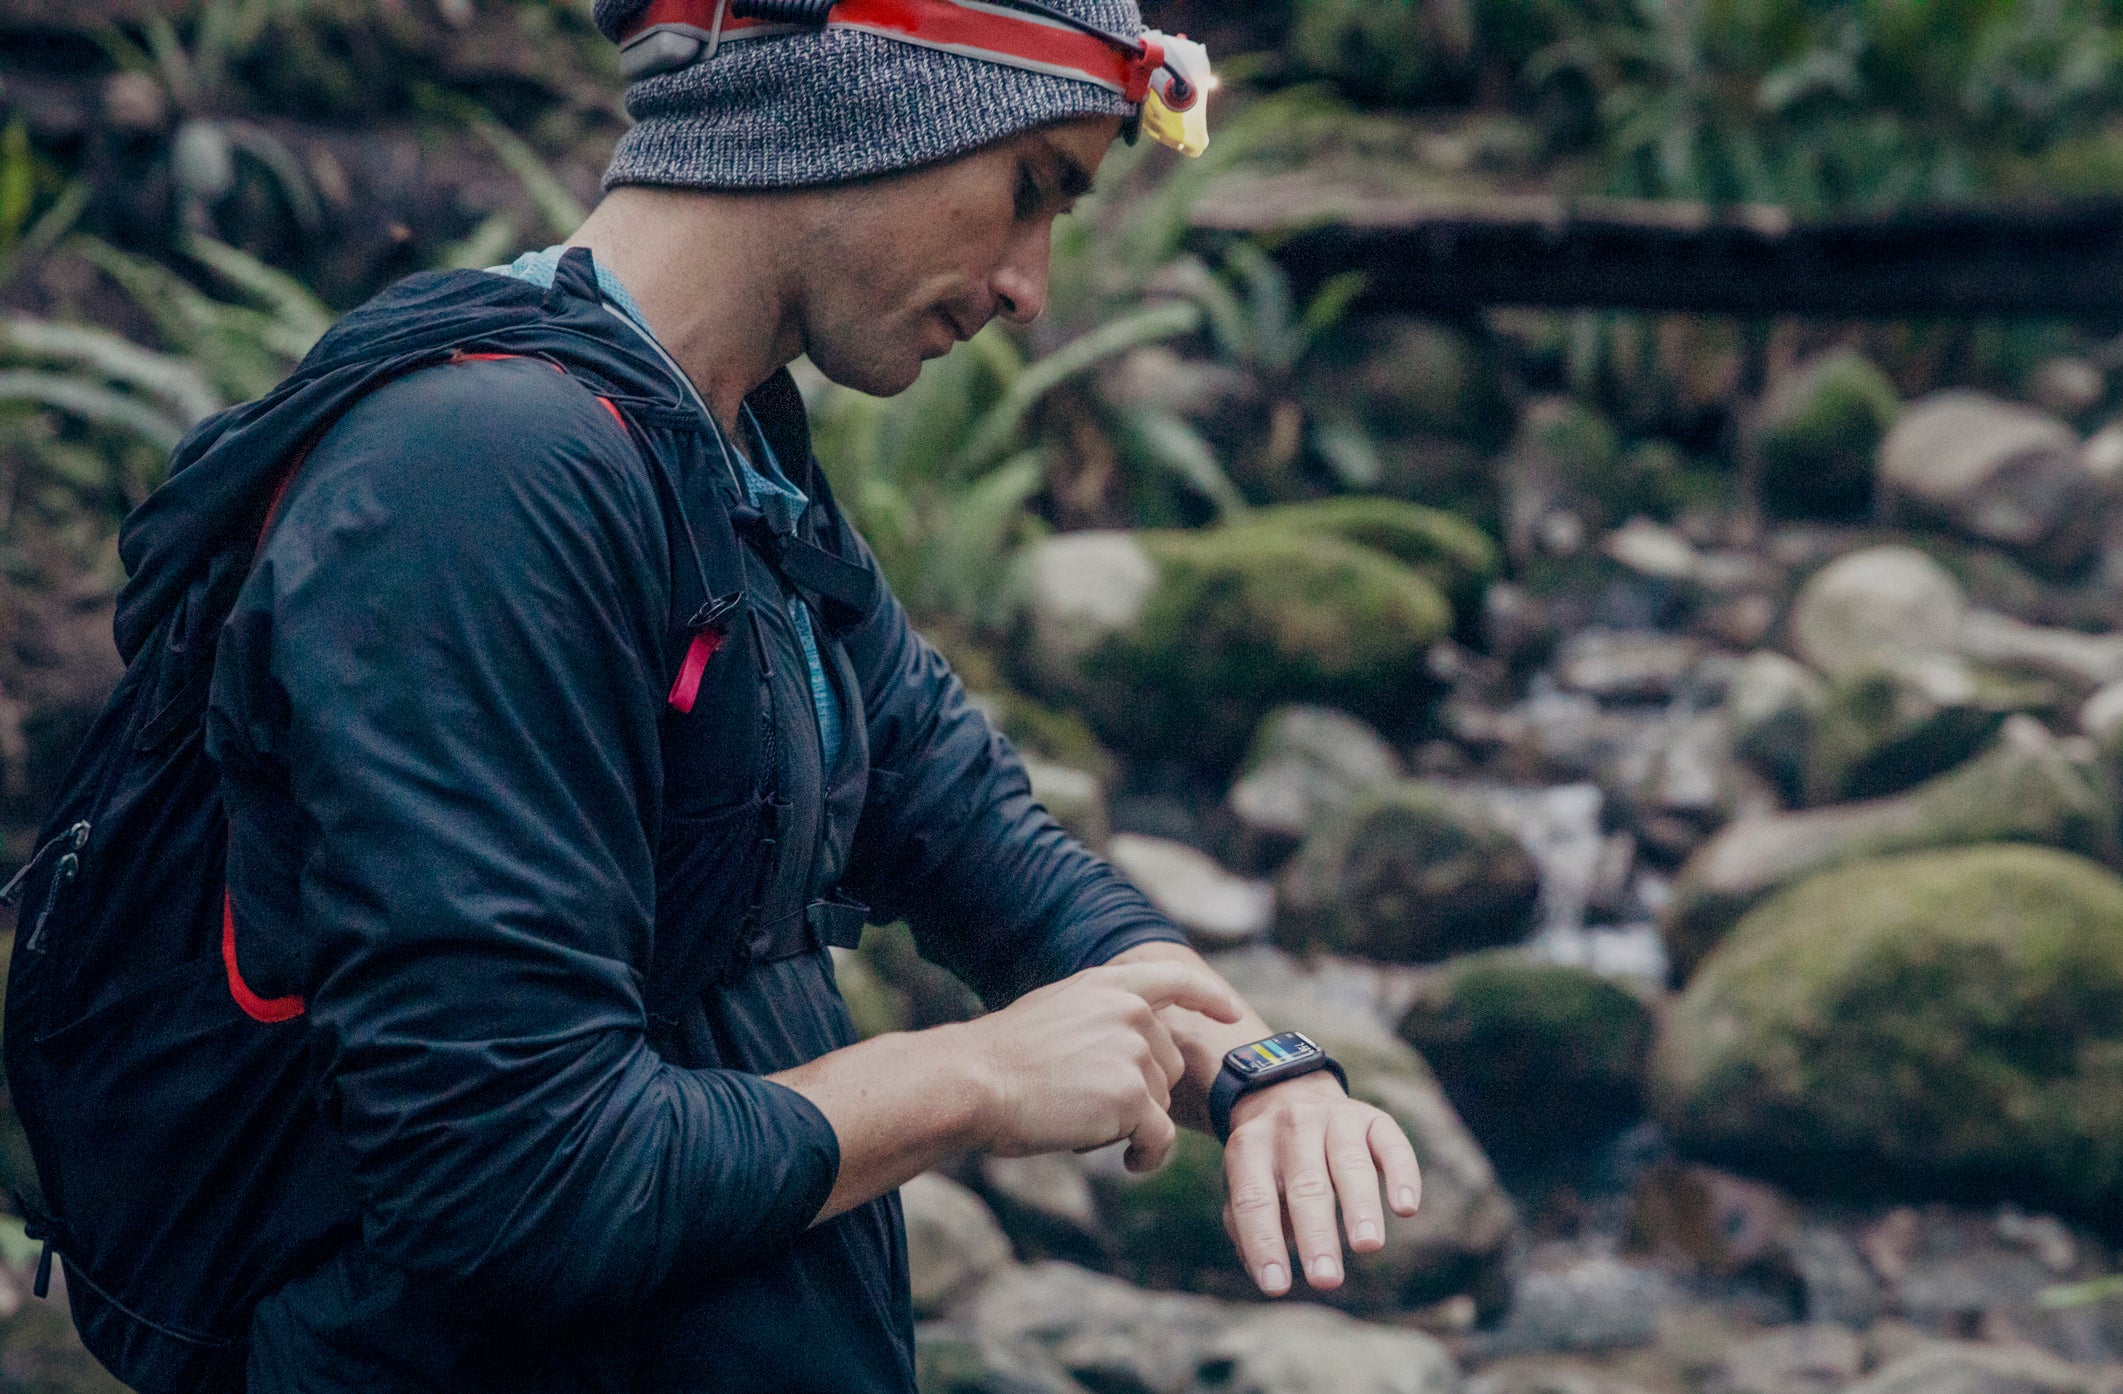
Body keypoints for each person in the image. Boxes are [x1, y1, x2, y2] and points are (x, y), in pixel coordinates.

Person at [118, 0, 1423, 1387]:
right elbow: (507, 1180)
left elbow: (967, 827)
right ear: (868, 101)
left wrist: (1260, 1065)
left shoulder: (722, 450)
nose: (1032, 284)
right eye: (1031, 187)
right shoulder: (478, 480)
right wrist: (973, 1078)